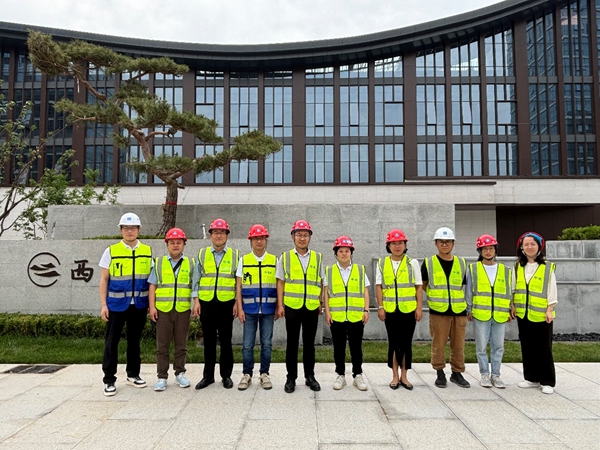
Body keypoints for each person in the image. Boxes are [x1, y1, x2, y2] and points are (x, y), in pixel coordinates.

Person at [99, 212, 152, 396]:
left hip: (138, 304)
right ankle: (109, 379)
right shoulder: (111, 251)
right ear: (121, 230)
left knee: (134, 341)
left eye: (133, 228)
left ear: (138, 230)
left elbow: (151, 281)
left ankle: (133, 374)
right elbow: (104, 280)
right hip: (116, 305)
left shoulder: (147, 251)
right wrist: (104, 305)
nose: (130, 231)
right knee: (111, 342)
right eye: (126, 228)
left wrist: (150, 304)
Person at [276, 220, 324, 393]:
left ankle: (310, 376)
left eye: (305, 235)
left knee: (309, 343)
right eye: (299, 235)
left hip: (311, 306)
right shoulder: (285, 257)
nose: (302, 238)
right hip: (292, 306)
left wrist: (320, 302)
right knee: (292, 343)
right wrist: (280, 305)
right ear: (293, 237)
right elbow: (280, 282)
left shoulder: (318, 257)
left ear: (310, 237)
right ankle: (291, 378)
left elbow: (321, 281)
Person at [192, 218, 239, 390]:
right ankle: (208, 376)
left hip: (227, 303)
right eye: (215, 232)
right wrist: (196, 301)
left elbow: (238, 282)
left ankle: (226, 376)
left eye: (222, 232)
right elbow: (196, 279)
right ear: (210, 234)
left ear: (227, 235)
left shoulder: (235, 255)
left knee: (226, 341)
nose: (219, 235)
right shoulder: (202, 254)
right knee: (209, 341)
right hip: (206, 303)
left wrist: (237, 303)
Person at [148, 227, 197, 391]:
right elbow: (152, 285)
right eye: (172, 242)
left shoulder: (191, 263)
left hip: (182, 309)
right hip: (163, 310)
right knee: (162, 345)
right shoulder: (159, 262)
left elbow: (194, 285)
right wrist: (152, 307)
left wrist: (196, 303)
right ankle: (162, 376)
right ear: (167, 244)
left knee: (181, 344)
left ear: (184, 244)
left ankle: (180, 373)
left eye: (179, 242)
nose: (175, 245)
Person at [422, 227, 470, 388]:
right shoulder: (428, 263)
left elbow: (465, 286)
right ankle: (439, 372)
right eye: (441, 242)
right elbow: (423, 284)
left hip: (459, 310)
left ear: (453, 244)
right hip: (438, 311)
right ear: (436, 244)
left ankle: (457, 373)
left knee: (458, 344)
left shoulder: (462, 263)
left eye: (448, 241)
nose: (444, 244)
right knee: (438, 344)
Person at [376, 229, 423, 390]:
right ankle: (395, 376)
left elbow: (418, 286)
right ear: (388, 246)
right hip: (390, 310)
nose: (397, 246)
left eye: (400, 243)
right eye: (394, 243)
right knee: (394, 343)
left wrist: (419, 308)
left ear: (405, 245)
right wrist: (380, 307)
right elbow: (378, 286)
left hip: (408, 309)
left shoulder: (412, 263)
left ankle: (405, 376)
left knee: (406, 343)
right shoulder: (382, 263)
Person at [512, 231, 557, 395]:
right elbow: (514, 288)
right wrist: (512, 305)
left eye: (533, 244)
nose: (529, 247)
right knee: (527, 347)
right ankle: (531, 378)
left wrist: (550, 309)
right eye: (526, 244)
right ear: (521, 248)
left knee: (544, 348)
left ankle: (547, 381)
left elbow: (552, 289)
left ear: (539, 247)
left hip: (542, 314)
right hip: (523, 314)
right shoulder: (518, 266)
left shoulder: (547, 267)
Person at [465, 234, 512, 389]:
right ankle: (484, 374)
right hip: (480, 313)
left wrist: (509, 309)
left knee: (498, 346)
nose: (488, 251)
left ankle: (496, 375)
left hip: (500, 314)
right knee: (481, 347)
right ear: (480, 251)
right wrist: (469, 309)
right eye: (484, 249)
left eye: (491, 248)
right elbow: (469, 291)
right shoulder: (473, 269)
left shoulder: (506, 270)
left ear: (495, 250)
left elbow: (509, 292)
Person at [324, 236, 370, 391]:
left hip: (356, 316)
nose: (344, 254)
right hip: (336, 316)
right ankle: (340, 375)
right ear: (336, 253)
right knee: (339, 347)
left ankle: (358, 375)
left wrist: (366, 310)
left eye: (347, 251)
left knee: (356, 347)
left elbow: (365, 291)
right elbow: (326, 293)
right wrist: (327, 312)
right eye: (341, 251)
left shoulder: (360, 270)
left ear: (351, 252)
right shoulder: (329, 271)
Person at [236, 224, 277, 391]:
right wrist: (239, 308)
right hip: (249, 310)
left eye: (262, 238)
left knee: (267, 344)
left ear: (266, 240)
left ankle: (264, 373)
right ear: (250, 241)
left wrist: (278, 306)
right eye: (255, 238)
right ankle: (247, 374)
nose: (259, 241)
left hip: (268, 309)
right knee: (247, 344)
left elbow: (279, 285)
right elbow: (238, 286)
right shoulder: (244, 260)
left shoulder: (274, 260)